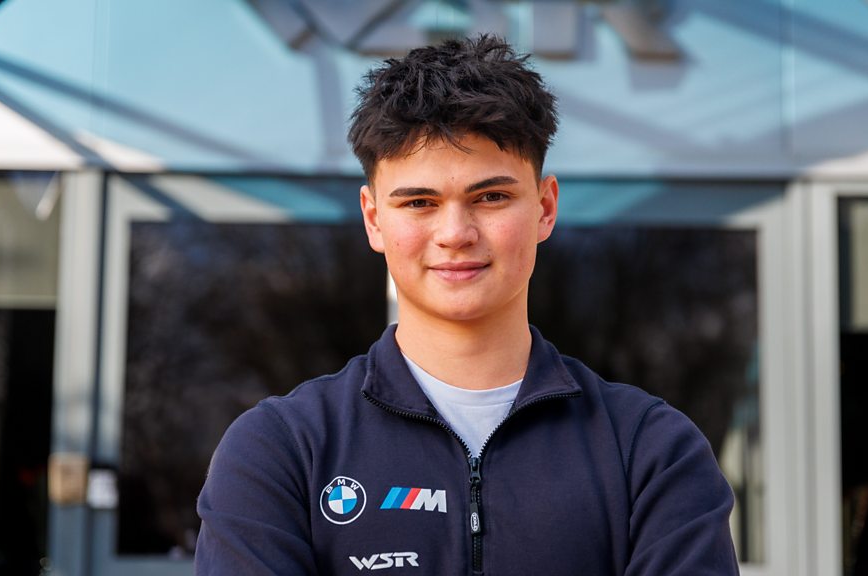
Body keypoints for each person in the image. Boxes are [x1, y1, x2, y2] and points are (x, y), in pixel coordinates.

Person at [195, 35, 739, 575]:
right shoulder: (282, 450)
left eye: (491, 197)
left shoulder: (649, 450)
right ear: (374, 219)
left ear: (545, 207)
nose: (455, 233)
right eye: (419, 202)